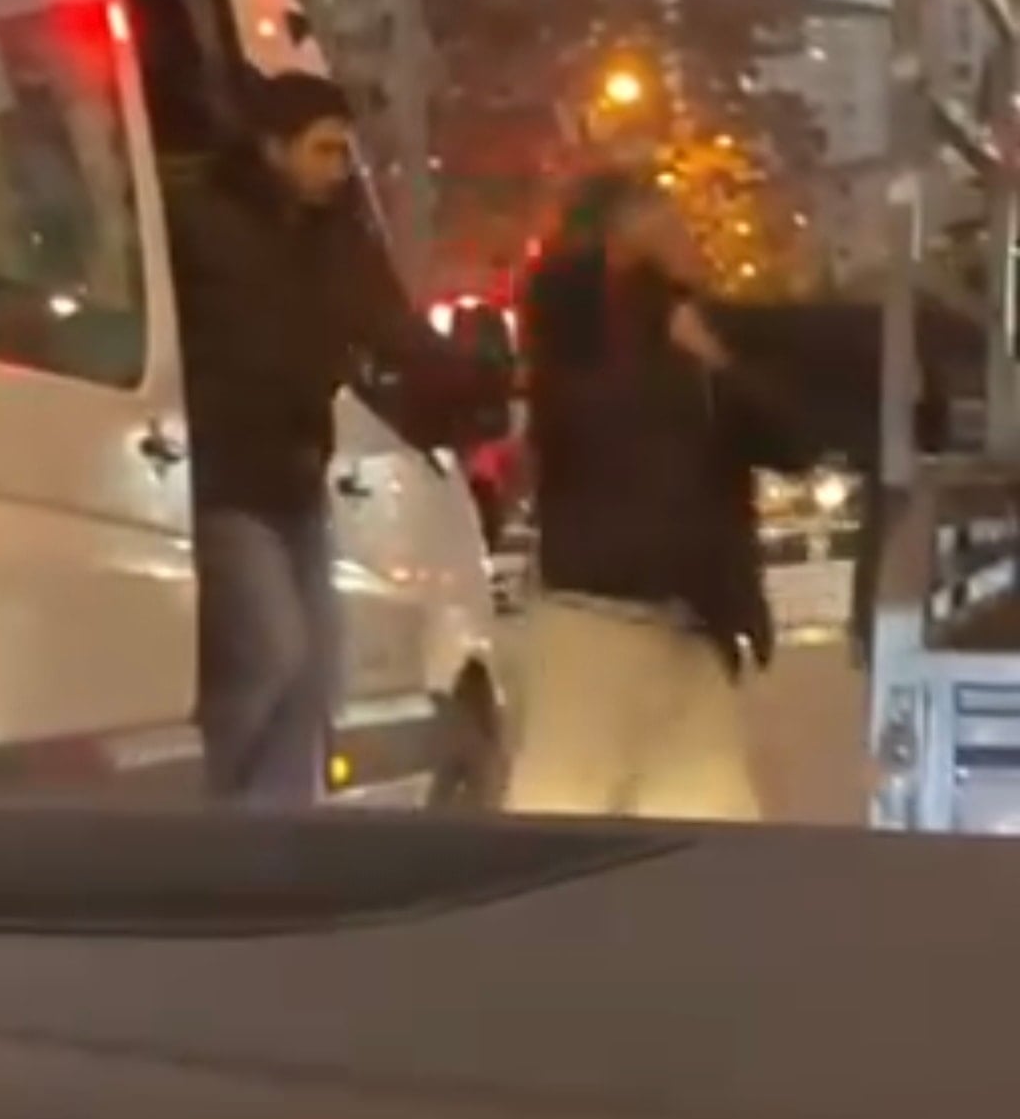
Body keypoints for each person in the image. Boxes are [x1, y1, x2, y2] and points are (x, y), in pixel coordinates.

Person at [166, 69, 496, 807]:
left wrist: (468, 378)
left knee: (315, 672)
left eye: (345, 151)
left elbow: (388, 325)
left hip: (297, 478)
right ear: (272, 147)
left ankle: (282, 830)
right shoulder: (203, 222)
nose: (340, 168)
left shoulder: (337, 237)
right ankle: (222, 806)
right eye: (324, 149)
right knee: (271, 650)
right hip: (224, 477)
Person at [511, 169, 817, 821]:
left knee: (711, 830)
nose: (688, 237)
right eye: (668, 222)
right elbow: (583, 407)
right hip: (594, 622)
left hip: (691, 625)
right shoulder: (575, 329)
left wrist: (719, 362)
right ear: (622, 240)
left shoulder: (696, 341)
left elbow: (791, 444)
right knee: (566, 817)